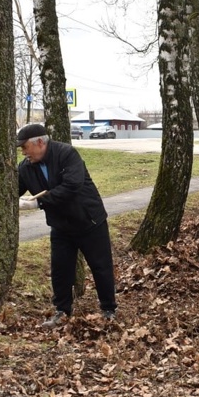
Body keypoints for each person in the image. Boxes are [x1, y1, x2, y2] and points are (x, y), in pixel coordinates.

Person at [16, 123, 117, 327]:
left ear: (40, 142)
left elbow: (72, 186)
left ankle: (108, 309)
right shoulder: (26, 167)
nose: (23, 152)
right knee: (61, 269)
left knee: (101, 266)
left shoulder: (66, 154)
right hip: (61, 226)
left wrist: (38, 202)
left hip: (89, 221)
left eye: (25, 146)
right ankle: (62, 311)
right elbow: (14, 190)